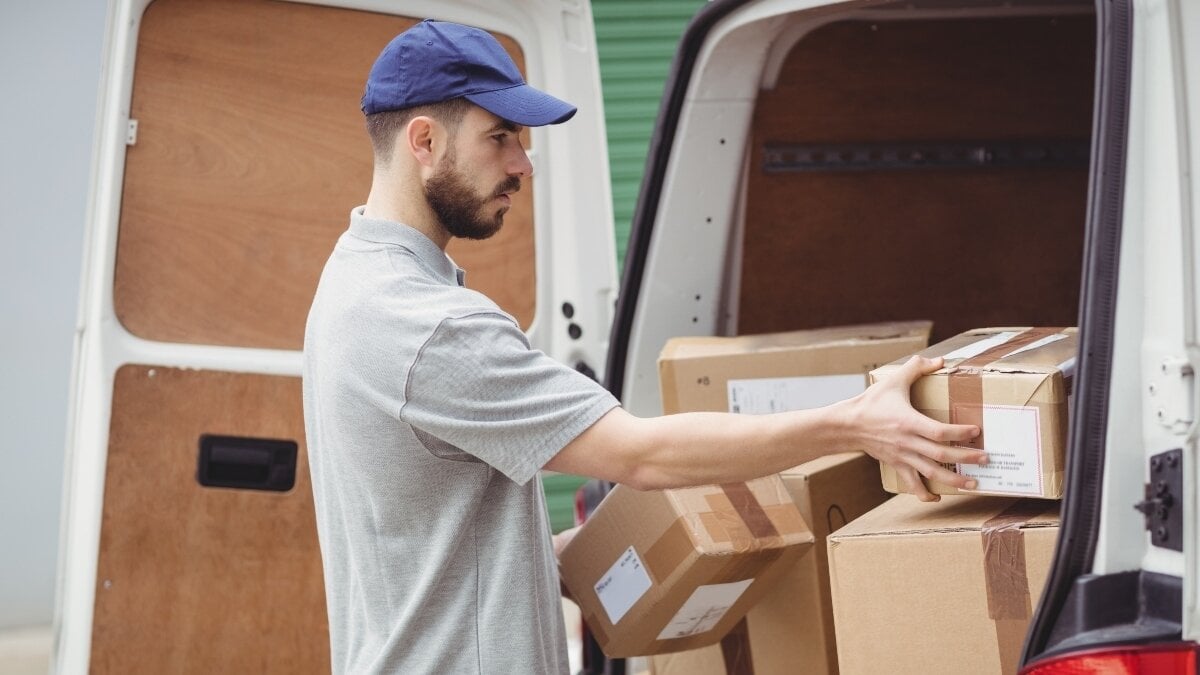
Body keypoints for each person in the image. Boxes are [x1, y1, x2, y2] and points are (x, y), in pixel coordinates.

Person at [302, 19, 985, 675]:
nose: (522, 164)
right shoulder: (430, 324)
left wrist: (570, 555)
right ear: (424, 140)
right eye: (500, 137)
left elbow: (422, 529)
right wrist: (858, 421)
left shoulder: (351, 281)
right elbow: (640, 454)